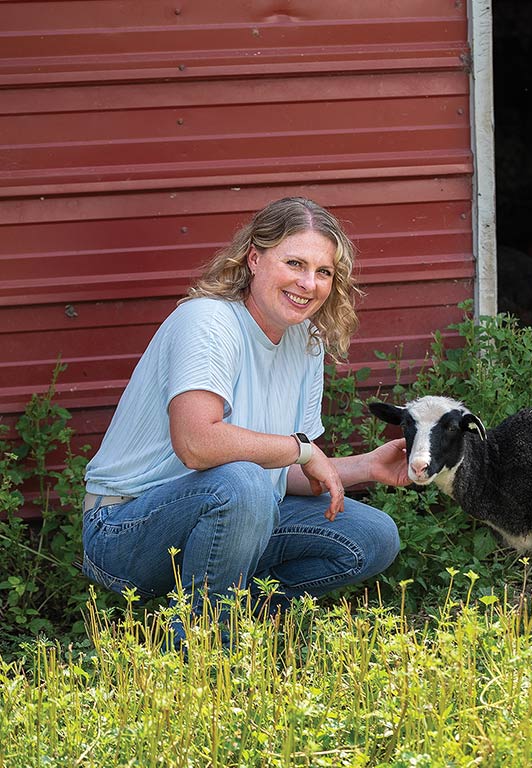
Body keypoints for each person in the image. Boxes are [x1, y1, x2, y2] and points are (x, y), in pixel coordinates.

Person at [81, 197, 409, 645]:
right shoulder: (209, 321)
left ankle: (249, 614)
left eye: (324, 272)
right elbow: (197, 443)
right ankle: (201, 647)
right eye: (294, 263)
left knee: (373, 535)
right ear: (254, 257)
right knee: (243, 483)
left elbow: (284, 468)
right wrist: (303, 449)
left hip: (233, 513)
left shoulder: (305, 340)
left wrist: (365, 467)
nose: (308, 283)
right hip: (124, 531)